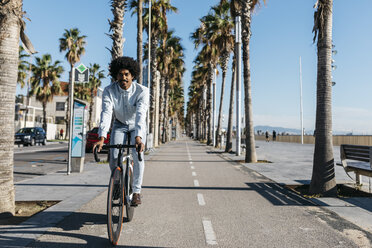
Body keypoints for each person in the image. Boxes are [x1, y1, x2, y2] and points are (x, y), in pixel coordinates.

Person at [93, 56, 149, 206]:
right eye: (120, 74)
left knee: (138, 155)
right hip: (119, 124)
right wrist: (102, 137)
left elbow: (141, 115)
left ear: (132, 76)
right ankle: (117, 184)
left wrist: (138, 137)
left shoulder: (142, 91)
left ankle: (136, 191)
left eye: (126, 74)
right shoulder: (109, 91)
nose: (123, 78)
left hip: (136, 126)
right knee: (114, 155)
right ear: (115, 75)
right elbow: (106, 113)